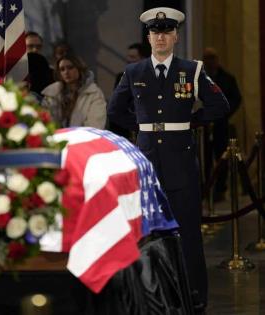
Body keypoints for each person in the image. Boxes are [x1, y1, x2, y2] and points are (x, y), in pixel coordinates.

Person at [107, 7, 229, 314]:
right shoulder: (133, 73)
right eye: (155, 32)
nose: (160, 37)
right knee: (147, 232)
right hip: (148, 162)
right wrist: (139, 128)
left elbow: (220, 104)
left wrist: (193, 122)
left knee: (187, 231)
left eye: (166, 32)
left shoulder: (192, 69)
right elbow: (114, 111)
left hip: (181, 164)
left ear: (175, 36)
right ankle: (150, 295)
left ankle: (194, 295)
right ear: (148, 38)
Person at [203, 47, 242, 201]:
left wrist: (225, 112)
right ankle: (205, 188)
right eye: (206, 58)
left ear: (217, 59)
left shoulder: (227, 78)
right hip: (203, 125)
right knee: (205, 158)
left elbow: (236, 98)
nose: (209, 61)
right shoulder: (199, 76)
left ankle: (220, 189)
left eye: (212, 57)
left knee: (222, 157)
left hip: (221, 125)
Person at [41, 54, 106, 129]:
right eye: (62, 69)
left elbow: (96, 124)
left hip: (83, 138)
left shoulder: (93, 93)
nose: (66, 72)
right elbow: (45, 122)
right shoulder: (52, 93)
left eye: (70, 68)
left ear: (79, 68)